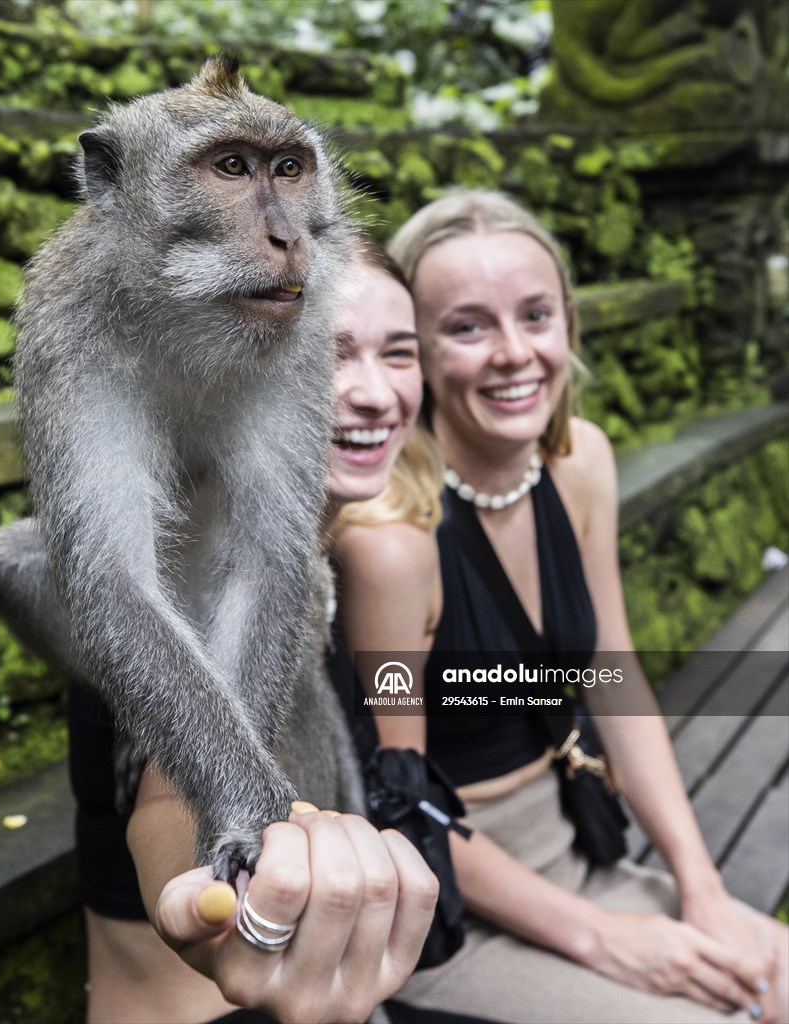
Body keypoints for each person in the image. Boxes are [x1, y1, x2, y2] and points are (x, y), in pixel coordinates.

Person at [329, 190, 788, 1024]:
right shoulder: (388, 544)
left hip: (581, 853)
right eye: (467, 327)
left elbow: (614, 685)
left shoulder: (578, 464)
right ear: (417, 352)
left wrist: (702, 887)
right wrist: (604, 940)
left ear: (568, 324)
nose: (513, 353)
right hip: (458, 908)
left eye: (535, 315)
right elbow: (400, 809)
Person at [69, 239, 442, 1024]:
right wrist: (220, 905)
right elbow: (170, 797)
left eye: (398, 354)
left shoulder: (342, 544)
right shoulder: (189, 565)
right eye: (328, 352)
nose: (372, 392)